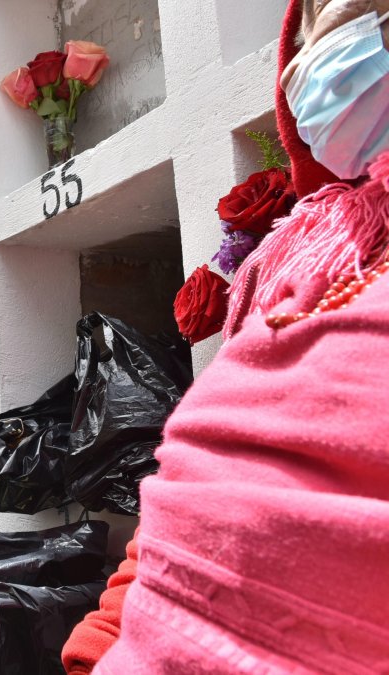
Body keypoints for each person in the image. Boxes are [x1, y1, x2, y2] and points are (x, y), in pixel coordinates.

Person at [63, 1, 389, 671]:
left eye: (343, 10)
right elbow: (188, 492)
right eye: (303, 31)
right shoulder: (296, 254)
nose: (313, 56)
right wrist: (95, 651)